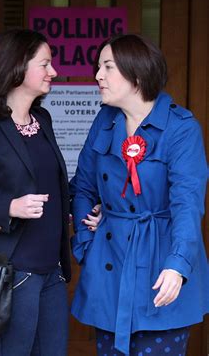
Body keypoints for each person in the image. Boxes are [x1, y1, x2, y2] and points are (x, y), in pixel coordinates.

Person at [0, 29, 99, 356]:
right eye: (45, 64)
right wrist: (10, 208)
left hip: (52, 274)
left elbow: (49, 186)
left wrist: (75, 208)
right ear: (17, 67)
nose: (53, 72)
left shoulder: (42, 119)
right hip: (9, 275)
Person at [70, 33, 209, 356]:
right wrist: (86, 243)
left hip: (160, 261)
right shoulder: (104, 121)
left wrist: (178, 265)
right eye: (98, 67)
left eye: (107, 67)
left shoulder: (181, 127)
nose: (97, 76)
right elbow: (83, 187)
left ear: (136, 73)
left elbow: (187, 203)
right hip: (109, 262)